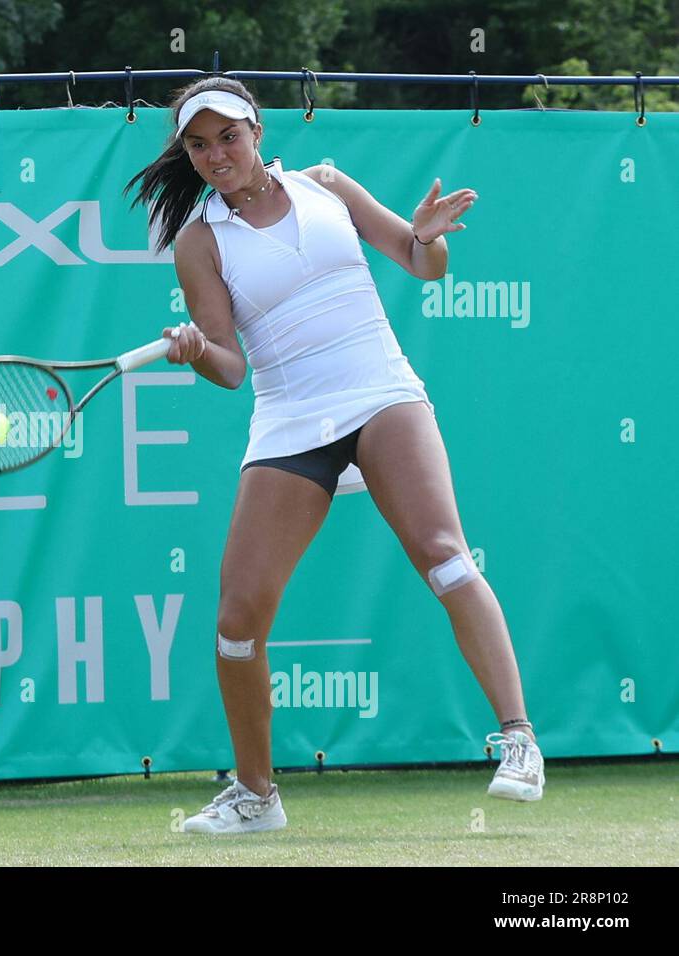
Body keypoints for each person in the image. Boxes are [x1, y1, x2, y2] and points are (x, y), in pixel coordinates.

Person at [123, 78, 544, 835]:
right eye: (199, 143)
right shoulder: (199, 241)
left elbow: (423, 266)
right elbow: (230, 366)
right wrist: (193, 349)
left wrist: (425, 235)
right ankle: (257, 795)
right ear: (186, 153)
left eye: (228, 136)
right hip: (289, 420)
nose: (216, 153)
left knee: (445, 554)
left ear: (256, 130)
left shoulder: (328, 186)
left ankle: (518, 741)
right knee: (237, 617)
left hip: (381, 392)